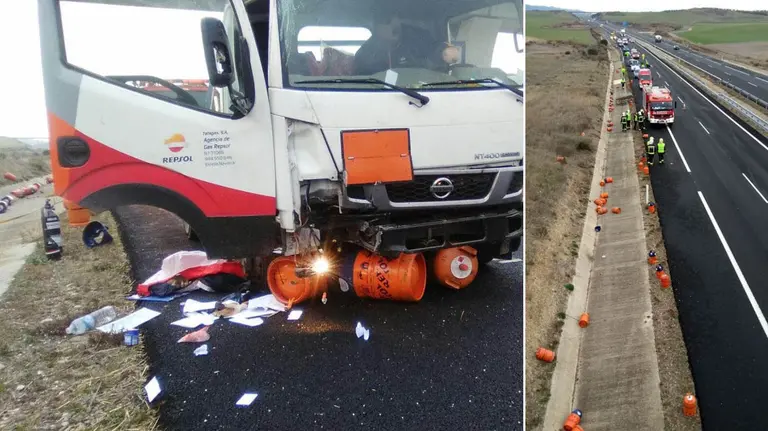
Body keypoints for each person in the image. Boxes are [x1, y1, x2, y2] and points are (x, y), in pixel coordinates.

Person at [354, 12, 422, 75]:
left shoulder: (416, 48)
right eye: (387, 21)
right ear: (376, 27)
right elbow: (360, 82)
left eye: (398, 18)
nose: (395, 24)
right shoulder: (364, 54)